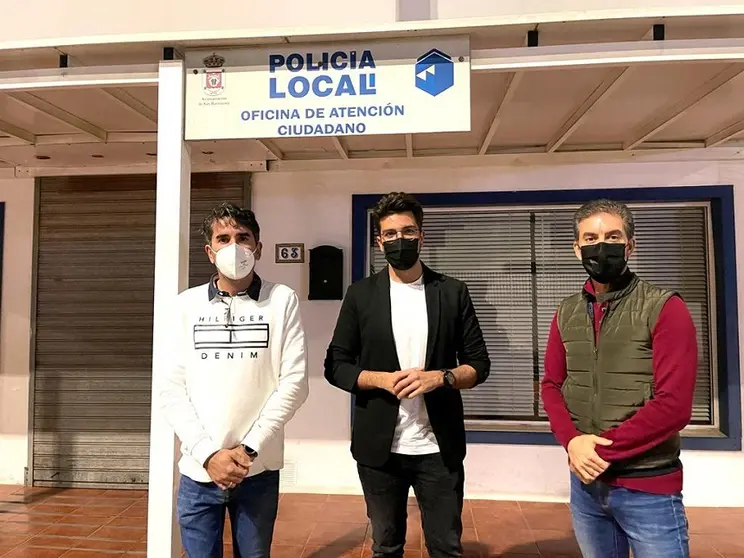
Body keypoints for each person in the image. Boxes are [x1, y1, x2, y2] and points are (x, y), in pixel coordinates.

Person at [324, 192, 491, 558]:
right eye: (391, 233)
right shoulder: (360, 295)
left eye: (408, 231)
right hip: (379, 450)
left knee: (446, 546)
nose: (401, 240)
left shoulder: (451, 292)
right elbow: (335, 365)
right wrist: (379, 379)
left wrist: (441, 378)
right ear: (379, 241)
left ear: (422, 236)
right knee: (386, 546)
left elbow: (479, 364)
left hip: (438, 448)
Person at [541, 199, 698, 558]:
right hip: (587, 485)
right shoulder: (566, 311)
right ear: (576, 247)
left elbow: (674, 405)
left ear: (630, 245)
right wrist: (572, 442)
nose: (601, 245)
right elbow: (551, 385)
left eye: (612, 236)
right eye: (591, 237)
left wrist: (596, 448)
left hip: (649, 488)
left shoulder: (664, 307)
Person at [157, 202, 309, 558]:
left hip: (257, 470)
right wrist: (209, 454)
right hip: (198, 472)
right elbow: (170, 389)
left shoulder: (281, 300)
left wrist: (247, 450)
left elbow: (294, 383)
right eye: (223, 239)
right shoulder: (185, 306)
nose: (234, 246)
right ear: (210, 252)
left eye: (243, 237)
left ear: (258, 247)